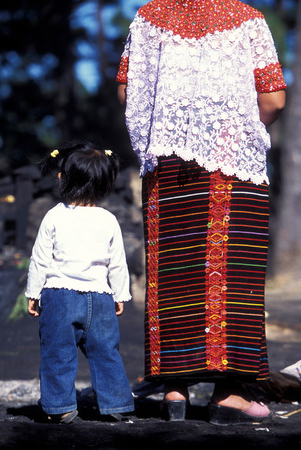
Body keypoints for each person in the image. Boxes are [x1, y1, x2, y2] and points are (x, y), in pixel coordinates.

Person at [116, 0, 286, 424]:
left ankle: (175, 392)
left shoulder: (148, 17)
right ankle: (228, 395)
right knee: (233, 274)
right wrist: (234, 125)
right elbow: (274, 98)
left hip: (168, 162)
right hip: (232, 160)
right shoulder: (249, 20)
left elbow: (126, 90)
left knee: (174, 272)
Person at [25, 141, 135, 423]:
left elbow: (40, 259)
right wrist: (120, 294)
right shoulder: (108, 219)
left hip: (59, 296)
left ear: (62, 178)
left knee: (57, 354)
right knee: (105, 353)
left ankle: (60, 406)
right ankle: (116, 404)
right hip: (99, 297)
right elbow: (117, 262)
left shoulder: (54, 216)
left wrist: (33, 292)